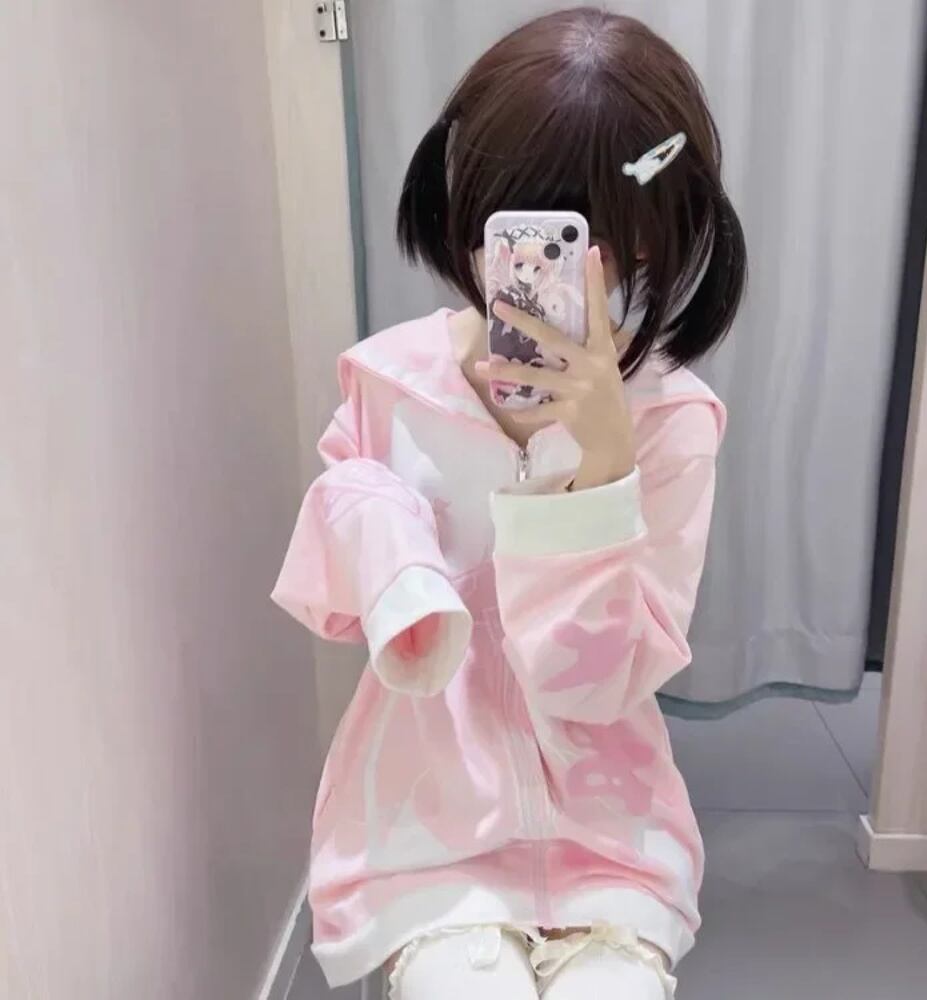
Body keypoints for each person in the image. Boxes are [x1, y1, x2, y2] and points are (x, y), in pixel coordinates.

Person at [272, 7, 746, 998]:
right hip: (426, 832)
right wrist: (392, 555)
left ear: (650, 237)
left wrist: (601, 469)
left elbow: (596, 686)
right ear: (469, 210)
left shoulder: (673, 422)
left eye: (591, 237)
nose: (545, 267)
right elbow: (343, 564)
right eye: (522, 229)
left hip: (611, 838)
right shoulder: (389, 383)